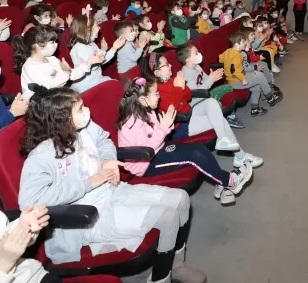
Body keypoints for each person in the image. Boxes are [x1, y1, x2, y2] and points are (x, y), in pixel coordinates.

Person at [19, 86, 206, 283]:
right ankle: (161, 279)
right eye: (80, 109)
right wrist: (89, 182)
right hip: (87, 216)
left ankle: (176, 266)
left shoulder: (84, 127)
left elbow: (104, 140)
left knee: (181, 199)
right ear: (62, 120)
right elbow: (29, 201)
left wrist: (108, 159)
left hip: (112, 190)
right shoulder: (42, 155)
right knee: (167, 218)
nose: (87, 112)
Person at [117, 77, 253, 206]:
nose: (159, 95)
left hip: (158, 151)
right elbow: (147, 149)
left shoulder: (147, 111)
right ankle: (230, 181)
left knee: (199, 148)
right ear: (142, 100)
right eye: (155, 93)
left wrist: (166, 126)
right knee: (193, 156)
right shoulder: (131, 123)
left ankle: (221, 183)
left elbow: (156, 136)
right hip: (145, 165)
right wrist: (163, 128)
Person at [142, 52, 263, 164]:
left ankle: (226, 143)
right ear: (157, 72)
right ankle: (240, 156)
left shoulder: (173, 80)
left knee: (211, 102)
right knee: (221, 121)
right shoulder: (156, 90)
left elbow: (188, 95)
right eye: (166, 65)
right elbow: (172, 111)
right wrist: (179, 88)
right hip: (180, 125)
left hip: (189, 112)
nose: (170, 66)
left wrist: (182, 87)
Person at [13, 26, 95, 99]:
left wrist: (88, 63)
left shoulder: (52, 59)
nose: (56, 45)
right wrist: (67, 73)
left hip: (56, 97)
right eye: (52, 42)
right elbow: (50, 87)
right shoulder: (30, 67)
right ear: (38, 46)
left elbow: (72, 75)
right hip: (41, 104)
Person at [220, 32, 282, 116]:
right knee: (260, 76)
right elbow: (234, 70)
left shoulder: (228, 51)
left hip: (235, 79)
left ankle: (254, 109)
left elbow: (221, 58)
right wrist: (243, 79)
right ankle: (270, 98)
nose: (245, 43)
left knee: (256, 86)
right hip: (237, 81)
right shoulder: (237, 55)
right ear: (237, 45)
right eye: (243, 42)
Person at [69, 15, 127, 93]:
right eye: (96, 26)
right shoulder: (79, 48)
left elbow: (101, 61)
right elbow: (94, 65)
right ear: (87, 30)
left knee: (116, 85)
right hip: (85, 85)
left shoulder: (92, 44)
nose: (99, 28)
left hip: (96, 79)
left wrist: (114, 48)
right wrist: (103, 51)